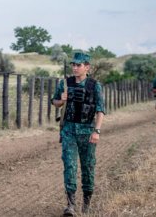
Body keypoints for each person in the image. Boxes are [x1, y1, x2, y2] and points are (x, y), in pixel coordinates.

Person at [51, 52, 105, 216]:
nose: (75, 67)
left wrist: (97, 131)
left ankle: (87, 203)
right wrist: (62, 99)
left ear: (87, 67)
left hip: (87, 132)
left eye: (78, 65)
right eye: (73, 65)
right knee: (69, 166)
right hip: (69, 131)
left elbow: (100, 110)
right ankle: (71, 205)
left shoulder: (94, 85)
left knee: (88, 167)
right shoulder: (65, 83)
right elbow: (55, 102)